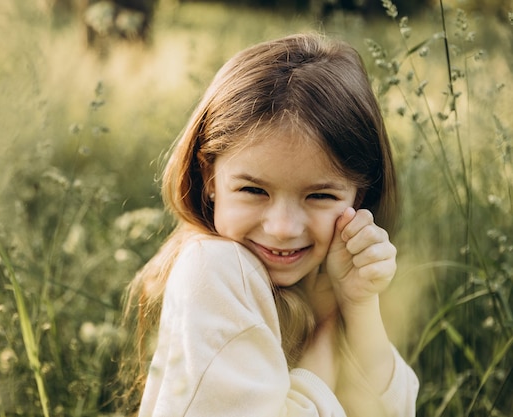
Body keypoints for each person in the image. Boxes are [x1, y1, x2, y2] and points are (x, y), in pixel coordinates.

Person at [120, 32, 419, 416]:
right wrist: (325, 335)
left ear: (358, 197)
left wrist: (359, 304)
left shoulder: (325, 278)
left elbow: (396, 409)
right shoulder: (214, 270)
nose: (281, 228)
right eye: (253, 190)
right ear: (209, 177)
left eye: (320, 196)